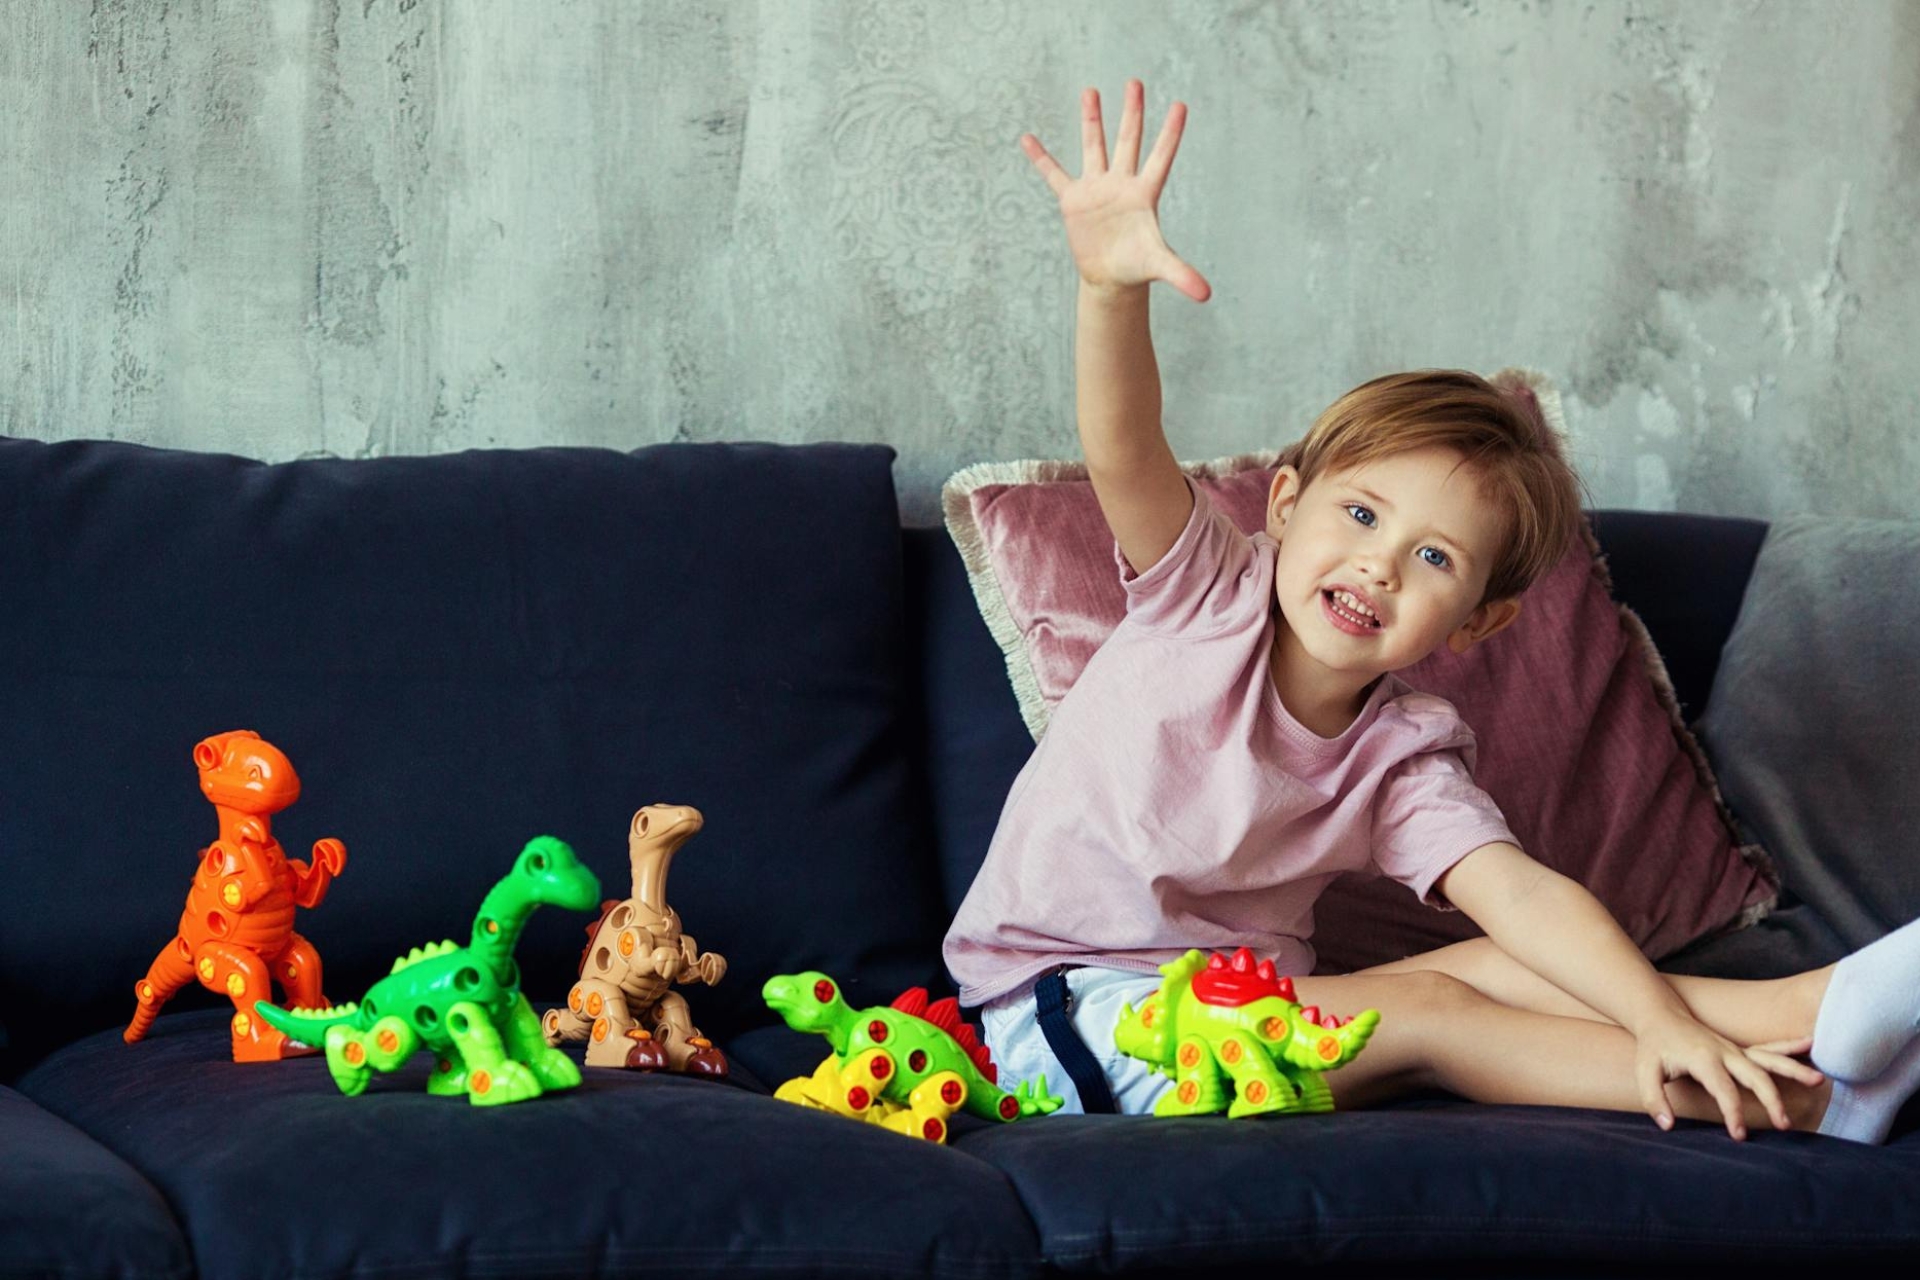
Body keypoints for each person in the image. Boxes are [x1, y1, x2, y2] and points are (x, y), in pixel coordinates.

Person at [943, 80, 1920, 1144]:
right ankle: (1815, 1099)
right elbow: (1124, 448)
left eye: (1434, 556)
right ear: (1281, 505)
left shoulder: (1401, 755)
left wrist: (1653, 1011)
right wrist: (1108, 290)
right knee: (1437, 1011)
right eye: (1360, 513)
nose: (1378, 566)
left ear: (1477, 623)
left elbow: (1525, 901)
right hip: (1066, 1020)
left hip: (1226, 1023)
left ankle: (1808, 1013)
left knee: (1493, 961)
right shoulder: (1203, 591)